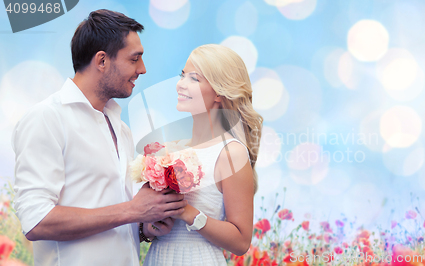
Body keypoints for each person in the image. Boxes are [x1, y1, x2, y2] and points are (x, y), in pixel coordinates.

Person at [11, 9, 186, 265]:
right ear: (102, 61)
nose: (143, 69)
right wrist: (132, 211)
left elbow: (117, 215)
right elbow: (36, 221)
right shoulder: (47, 119)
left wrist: (145, 226)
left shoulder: (120, 127)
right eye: (135, 58)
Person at [143, 44, 263, 265]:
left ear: (219, 92)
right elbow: (149, 228)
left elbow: (241, 242)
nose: (181, 84)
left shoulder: (231, 153)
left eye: (194, 79)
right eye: (182, 76)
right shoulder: (169, 150)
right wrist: (151, 226)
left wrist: (189, 213)